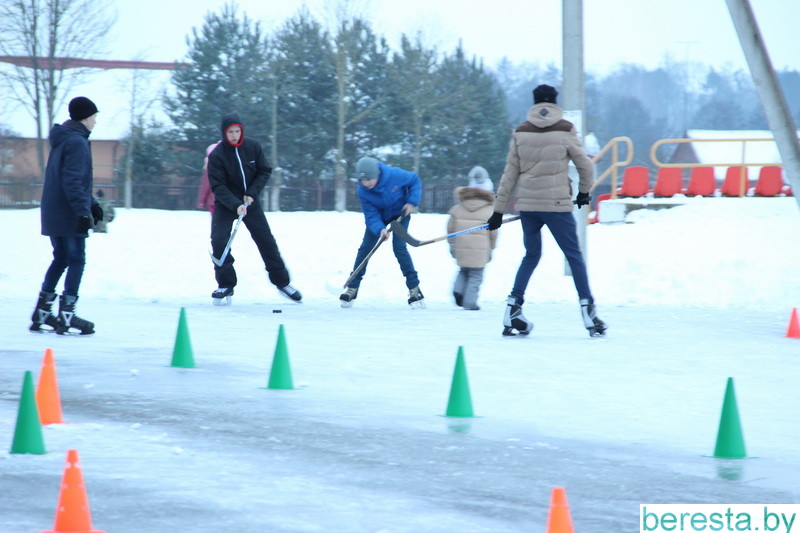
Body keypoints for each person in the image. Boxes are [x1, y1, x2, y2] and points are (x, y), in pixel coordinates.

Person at [487, 84, 607, 337]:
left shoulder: (520, 132)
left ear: (534, 102)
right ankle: (587, 308)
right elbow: (586, 166)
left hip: (529, 206)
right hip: (557, 206)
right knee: (573, 255)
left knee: (531, 256)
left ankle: (513, 306)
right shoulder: (565, 129)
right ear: (554, 102)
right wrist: (584, 193)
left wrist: (498, 210)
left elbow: (509, 173)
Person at [207, 112, 301, 305]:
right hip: (226, 204)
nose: (234, 135)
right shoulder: (217, 155)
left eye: (237, 131)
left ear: (242, 130)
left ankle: (282, 282)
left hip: (250, 202)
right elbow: (218, 186)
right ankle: (226, 284)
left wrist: (251, 194)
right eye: (230, 132)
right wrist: (235, 204)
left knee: (266, 240)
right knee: (219, 241)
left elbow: (264, 171)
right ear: (224, 133)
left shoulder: (253, 147)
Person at [29, 96, 103, 335]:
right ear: (84, 117)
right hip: (69, 212)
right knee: (76, 260)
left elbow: (72, 180)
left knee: (60, 259)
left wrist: (92, 203)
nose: (95, 122)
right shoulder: (77, 142)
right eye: (93, 117)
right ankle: (67, 314)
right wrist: (83, 212)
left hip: (54, 210)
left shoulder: (64, 139)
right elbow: (72, 181)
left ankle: (42, 312)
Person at [340, 156, 424, 308]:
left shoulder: (395, 175)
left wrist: (412, 203)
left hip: (400, 214)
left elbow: (415, 180)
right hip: (379, 218)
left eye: (369, 180)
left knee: (399, 248)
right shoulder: (363, 191)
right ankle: (353, 287)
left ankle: (414, 289)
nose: (366, 184)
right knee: (366, 248)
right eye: (363, 181)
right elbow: (371, 215)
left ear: (377, 174)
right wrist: (380, 230)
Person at [447, 186, 497, 310]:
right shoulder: (490, 211)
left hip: (461, 245)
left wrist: (452, 243)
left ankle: (458, 290)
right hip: (481, 248)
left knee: (463, 270)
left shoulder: (456, 209)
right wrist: (492, 247)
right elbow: (494, 232)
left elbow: (450, 228)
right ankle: (470, 303)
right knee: (476, 274)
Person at [196, 142, 219, 215]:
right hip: (228, 200)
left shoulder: (209, 168)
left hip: (214, 200)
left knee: (217, 222)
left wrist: (201, 200)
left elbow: (205, 185)